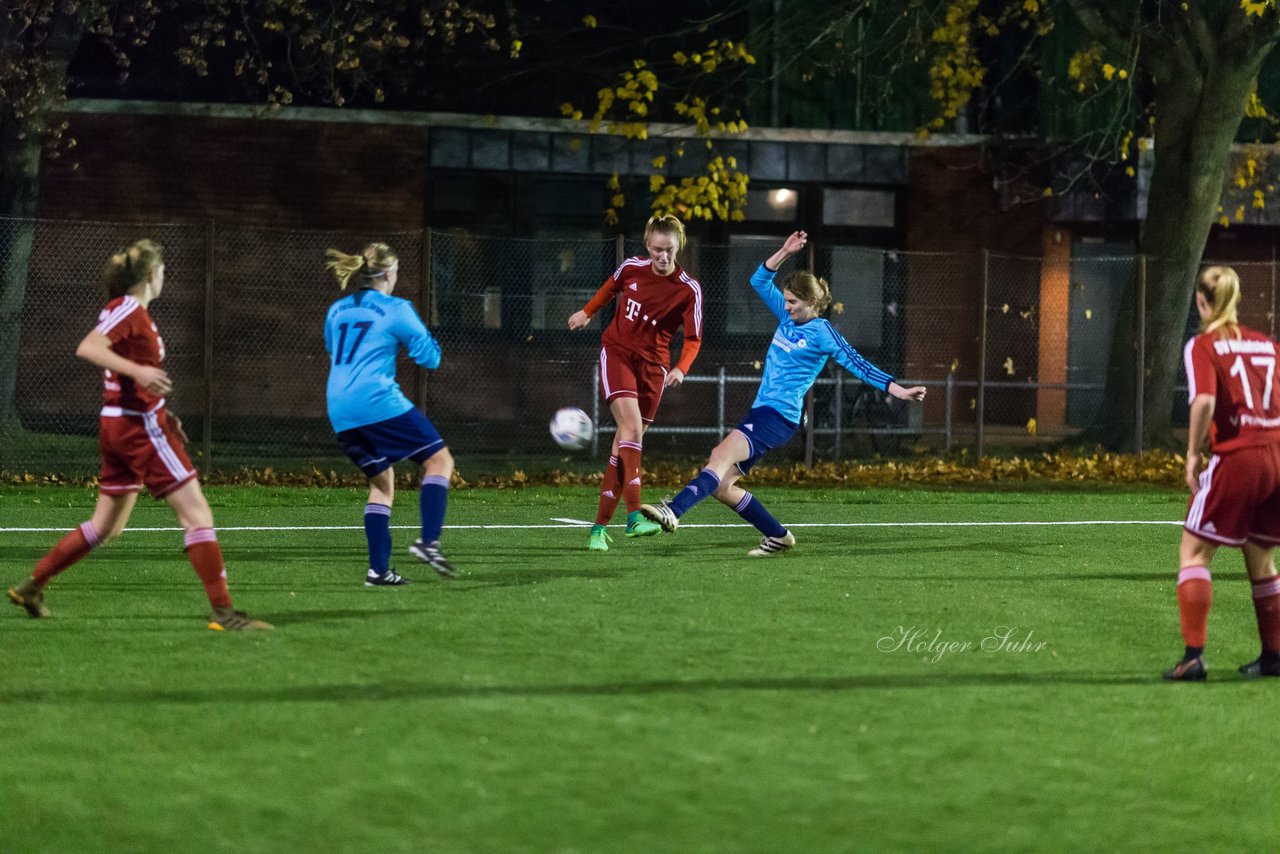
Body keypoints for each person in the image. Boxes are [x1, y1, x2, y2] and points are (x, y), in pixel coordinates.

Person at [6, 240, 271, 630]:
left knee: (105, 527)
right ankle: (224, 612)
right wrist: (141, 375)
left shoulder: (132, 313)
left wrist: (166, 413)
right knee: (197, 515)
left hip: (123, 424)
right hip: (135, 427)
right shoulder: (129, 309)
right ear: (151, 275)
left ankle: (32, 585)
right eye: (163, 272)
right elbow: (89, 347)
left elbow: (128, 368)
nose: (164, 278)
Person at [640, 230, 926, 556]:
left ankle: (673, 511)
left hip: (779, 415)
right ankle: (778, 536)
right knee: (722, 485)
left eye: (793, 302)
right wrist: (785, 251)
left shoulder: (821, 332)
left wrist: (898, 390)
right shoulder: (787, 317)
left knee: (720, 455)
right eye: (786, 300)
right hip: (765, 411)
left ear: (811, 303)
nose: (787, 306)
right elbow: (759, 280)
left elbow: (858, 364)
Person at [1163, 265, 1280, 680]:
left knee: (1193, 552)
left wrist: (1193, 454)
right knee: (1261, 558)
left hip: (1240, 456)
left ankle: (1193, 657)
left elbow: (1205, 403)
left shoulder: (1203, 345)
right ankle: (1274, 656)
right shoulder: (1266, 344)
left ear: (1201, 300)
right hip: (1276, 454)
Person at [567, 214, 704, 552]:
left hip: (655, 369)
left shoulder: (688, 289)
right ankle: (633, 516)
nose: (663, 257)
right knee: (630, 428)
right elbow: (609, 288)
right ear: (648, 245)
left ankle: (598, 529)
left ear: (678, 247)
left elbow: (693, 338)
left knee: (622, 446)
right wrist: (587, 312)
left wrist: (682, 368)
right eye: (658, 250)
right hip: (617, 354)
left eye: (669, 250)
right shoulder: (631, 267)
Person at [323, 242, 457, 585]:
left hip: (339, 408)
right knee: (440, 462)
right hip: (376, 401)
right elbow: (430, 359)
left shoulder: (337, 311)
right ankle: (429, 542)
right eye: (396, 273)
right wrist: (424, 339)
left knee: (382, 483)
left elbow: (335, 348)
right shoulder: (397, 308)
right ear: (386, 274)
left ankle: (378, 570)